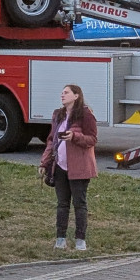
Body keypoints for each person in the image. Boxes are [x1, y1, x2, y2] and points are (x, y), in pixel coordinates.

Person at [39, 84, 98, 251]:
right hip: (60, 166)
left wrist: (74, 136)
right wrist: (44, 163)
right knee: (62, 204)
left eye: (66, 93)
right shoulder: (58, 115)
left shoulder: (86, 114)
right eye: (62, 92)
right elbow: (51, 140)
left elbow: (92, 139)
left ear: (76, 96)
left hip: (79, 167)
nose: (62, 95)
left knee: (79, 204)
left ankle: (80, 240)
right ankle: (60, 238)